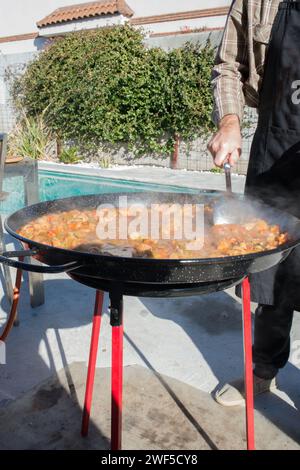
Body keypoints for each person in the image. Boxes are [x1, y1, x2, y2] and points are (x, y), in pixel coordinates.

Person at [208, 0, 300, 406]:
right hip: (274, 143)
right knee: (270, 274)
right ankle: (263, 370)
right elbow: (227, 65)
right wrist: (229, 120)